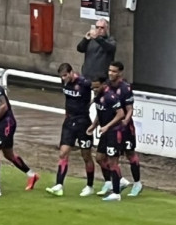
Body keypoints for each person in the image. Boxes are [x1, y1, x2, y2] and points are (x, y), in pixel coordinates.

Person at [0, 63, 38, 196]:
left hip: (7, 123)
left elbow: (3, 106)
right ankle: (32, 175)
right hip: (0, 124)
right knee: (9, 154)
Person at [47, 63, 96, 197]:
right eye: (61, 76)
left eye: (65, 75)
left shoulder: (84, 83)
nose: (63, 79)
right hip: (69, 122)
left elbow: (99, 87)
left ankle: (90, 185)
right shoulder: (64, 83)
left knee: (86, 155)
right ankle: (59, 185)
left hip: (83, 122)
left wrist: (92, 102)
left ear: (71, 72)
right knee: (63, 153)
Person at [104, 61, 142, 197]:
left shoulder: (125, 88)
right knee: (112, 157)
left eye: (114, 71)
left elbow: (130, 108)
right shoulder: (107, 86)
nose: (111, 73)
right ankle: (118, 182)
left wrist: (126, 120)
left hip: (125, 127)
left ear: (120, 73)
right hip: (112, 127)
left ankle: (137, 183)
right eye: (110, 70)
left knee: (130, 153)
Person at [88, 75, 126, 202]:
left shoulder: (111, 96)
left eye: (96, 87)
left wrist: (107, 126)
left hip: (114, 132)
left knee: (113, 162)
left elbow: (121, 114)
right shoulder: (98, 97)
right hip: (105, 132)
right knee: (99, 158)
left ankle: (116, 193)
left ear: (104, 85)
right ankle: (118, 181)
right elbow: (100, 113)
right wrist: (94, 126)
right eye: (93, 88)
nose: (94, 90)